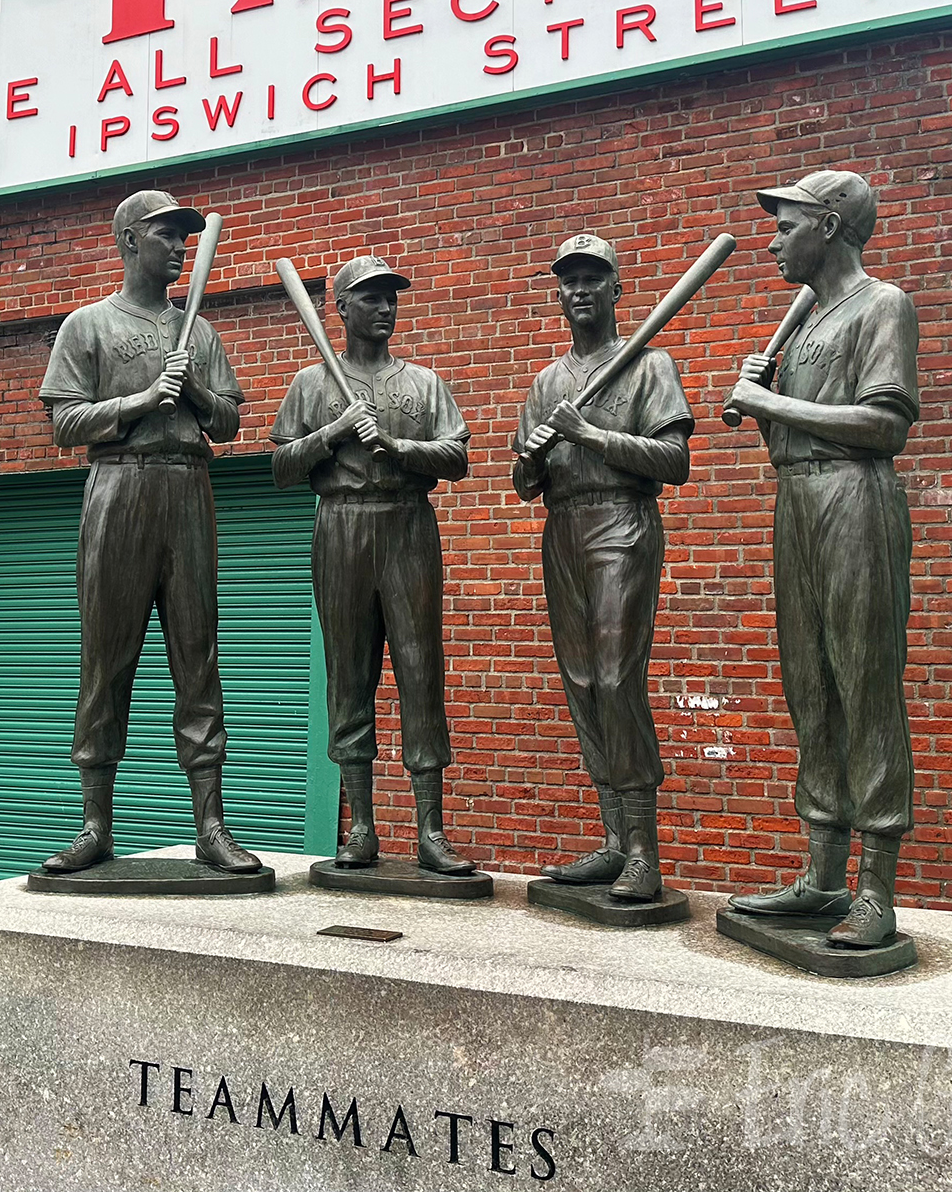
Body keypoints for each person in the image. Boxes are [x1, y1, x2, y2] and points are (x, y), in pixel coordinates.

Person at [35, 188, 259, 875]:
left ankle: (211, 826)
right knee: (106, 660)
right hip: (119, 487)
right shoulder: (89, 325)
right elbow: (66, 422)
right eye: (167, 233)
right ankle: (95, 825)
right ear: (131, 240)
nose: (181, 245)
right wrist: (140, 400)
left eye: (186, 235)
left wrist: (190, 390)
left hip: (186, 488)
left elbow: (228, 424)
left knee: (200, 657)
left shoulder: (201, 330)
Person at [724, 168, 919, 949]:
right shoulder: (803, 326)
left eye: (786, 225)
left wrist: (767, 401)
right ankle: (821, 876)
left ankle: (875, 891)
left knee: (864, 681)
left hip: (856, 500)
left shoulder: (883, 305)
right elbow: (790, 438)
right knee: (808, 681)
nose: (774, 240)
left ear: (828, 228)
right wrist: (764, 398)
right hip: (796, 500)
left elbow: (884, 425)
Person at [270, 255, 473, 875]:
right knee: (349, 673)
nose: (385, 307)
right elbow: (280, 468)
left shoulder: (423, 383)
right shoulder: (312, 385)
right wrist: (333, 433)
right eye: (370, 297)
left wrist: (398, 445)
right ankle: (359, 827)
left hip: (407, 520)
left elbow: (456, 456)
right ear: (342, 308)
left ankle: (431, 831)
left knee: (419, 669)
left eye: (390, 297)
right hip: (341, 525)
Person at [514, 234, 694, 903]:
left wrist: (588, 434)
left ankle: (645, 849)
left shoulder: (649, 366)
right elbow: (521, 483)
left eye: (593, 278)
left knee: (618, 678)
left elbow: (673, 462)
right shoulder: (547, 381)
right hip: (562, 525)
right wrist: (532, 458)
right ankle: (615, 840)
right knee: (583, 680)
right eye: (569, 281)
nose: (580, 290)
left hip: (623, 522)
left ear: (616, 290)